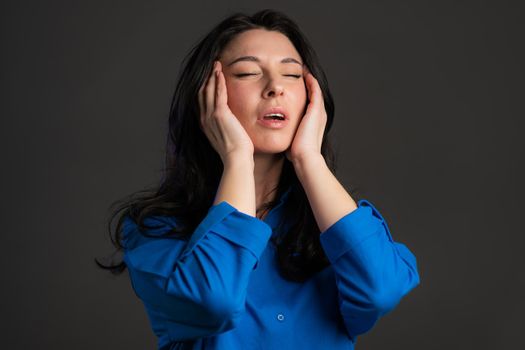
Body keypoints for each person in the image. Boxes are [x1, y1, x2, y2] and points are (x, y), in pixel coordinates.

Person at [96, 8, 420, 350]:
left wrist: (309, 159)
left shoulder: (332, 223)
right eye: (248, 72)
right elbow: (212, 302)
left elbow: (380, 291)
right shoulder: (155, 229)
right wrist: (237, 159)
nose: (275, 87)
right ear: (207, 97)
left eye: (292, 75)